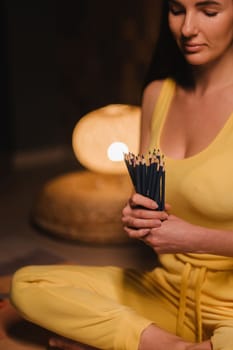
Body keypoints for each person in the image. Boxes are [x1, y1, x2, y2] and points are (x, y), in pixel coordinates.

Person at [10, 0, 233, 349]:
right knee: (28, 286)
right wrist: (140, 215)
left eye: (209, 11)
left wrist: (192, 239)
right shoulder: (158, 94)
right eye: (177, 10)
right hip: (167, 291)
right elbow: (153, 201)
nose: (188, 28)